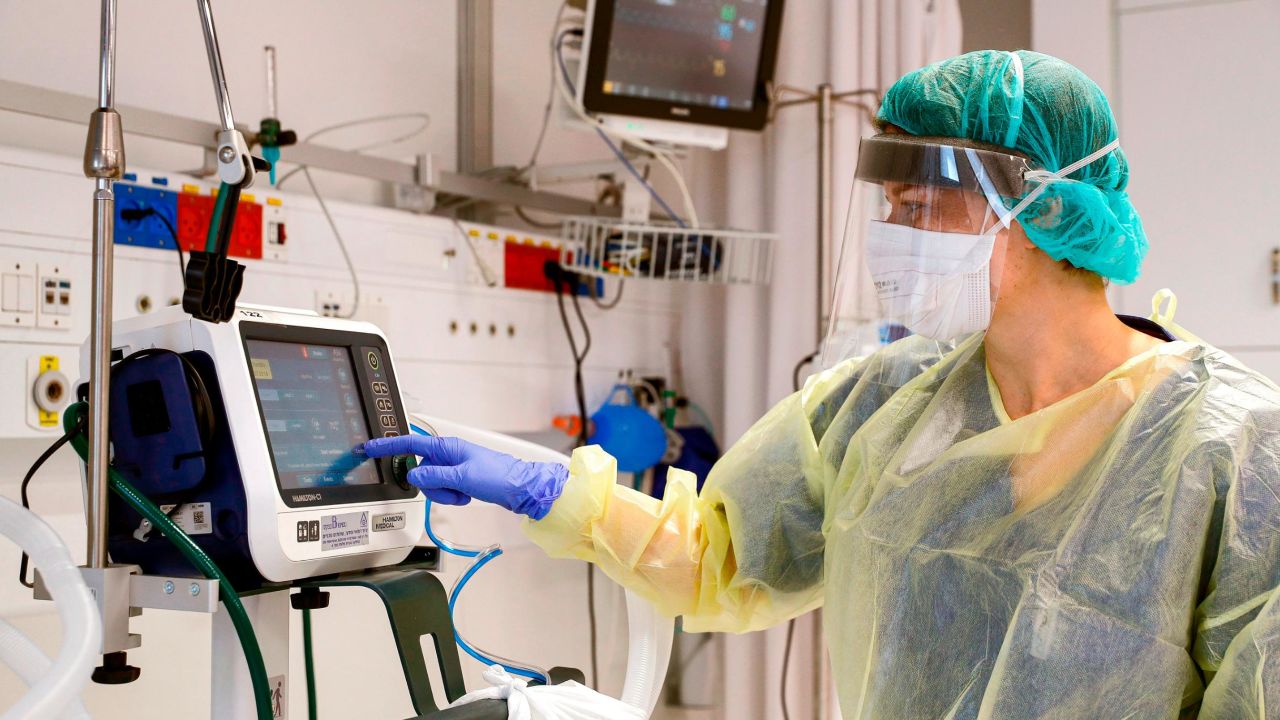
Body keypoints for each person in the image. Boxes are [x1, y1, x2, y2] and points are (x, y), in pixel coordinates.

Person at [368, 50, 1280, 718]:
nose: (893, 233)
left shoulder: (1229, 449)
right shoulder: (889, 402)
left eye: (919, 206)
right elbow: (725, 558)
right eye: (886, 207)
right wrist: (549, 489)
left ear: (1041, 205)